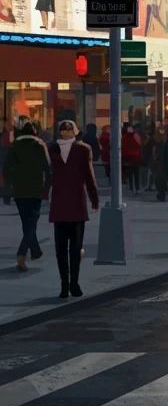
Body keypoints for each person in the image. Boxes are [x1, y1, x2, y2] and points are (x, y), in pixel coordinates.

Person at [46, 120, 98, 298]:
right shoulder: (82, 149)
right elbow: (89, 175)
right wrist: (94, 198)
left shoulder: (53, 148)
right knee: (74, 247)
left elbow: (48, 174)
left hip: (62, 202)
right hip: (74, 202)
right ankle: (72, 284)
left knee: (63, 248)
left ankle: (66, 285)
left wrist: (44, 193)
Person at [4, 121, 50, 272]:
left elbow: (6, 168)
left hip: (19, 189)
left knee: (26, 221)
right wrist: (48, 183)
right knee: (32, 220)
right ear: (35, 133)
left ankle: (35, 251)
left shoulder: (14, 146)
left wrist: (10, 184)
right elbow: (46, 166)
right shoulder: (38, 145)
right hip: (35, 188)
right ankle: (22, 253)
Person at [151, 125, 168, 201]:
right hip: (160, 160)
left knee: (160, 176)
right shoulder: (156, 139)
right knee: (160, 176)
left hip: (162, 160)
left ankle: (161, 191)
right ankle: (162, 191)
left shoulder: (165, 139)